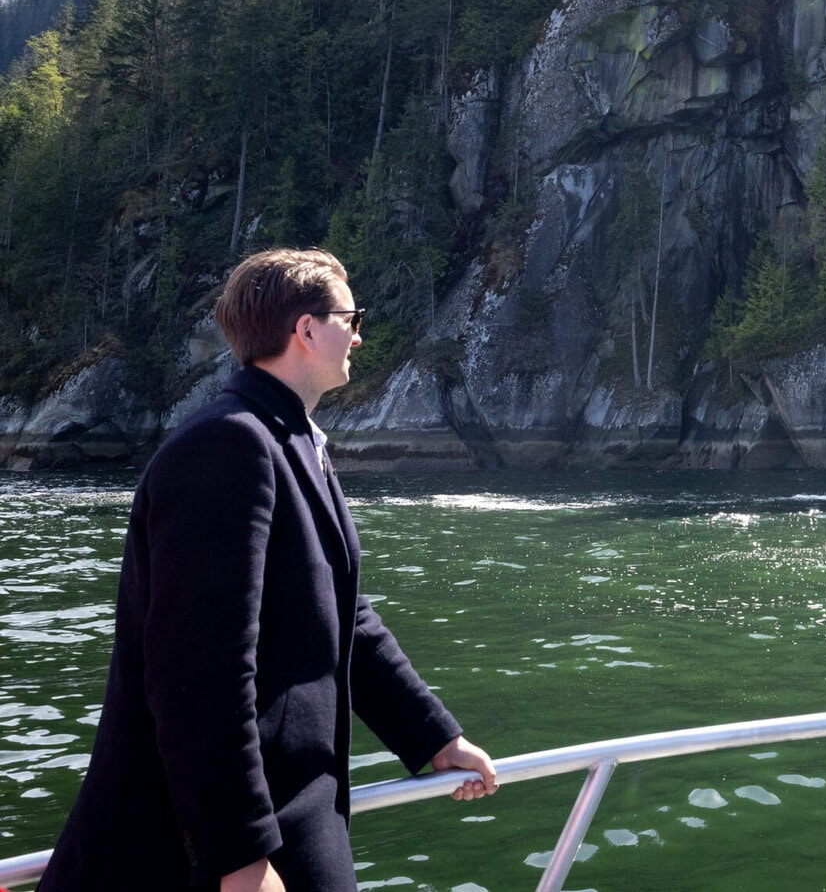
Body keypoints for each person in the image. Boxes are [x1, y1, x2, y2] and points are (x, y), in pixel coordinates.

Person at [39, 248, 498, 892]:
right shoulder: (226, 446)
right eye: (350, 315)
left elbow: (348, 618)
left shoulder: (293, 443)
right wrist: (241, 857)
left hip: (295, 829)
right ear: (305, 330)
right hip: (211, 858)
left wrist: (435, 738)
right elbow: (199, 675)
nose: (360, 334)